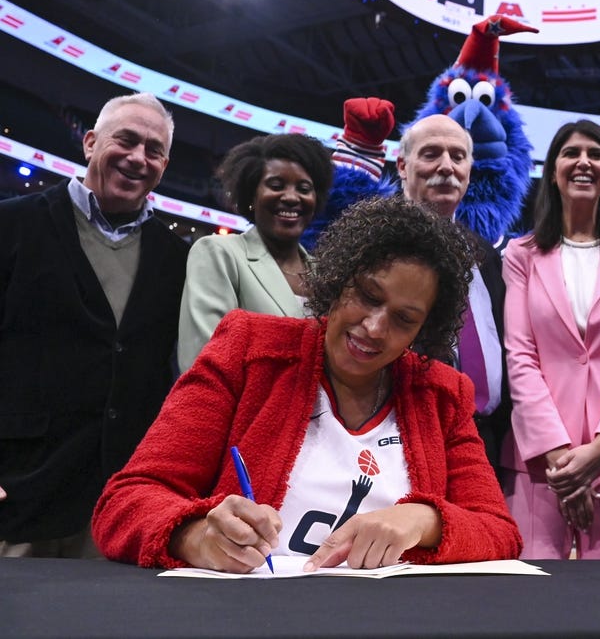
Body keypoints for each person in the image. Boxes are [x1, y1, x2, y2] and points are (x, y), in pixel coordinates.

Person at [92, 196, 521, 571]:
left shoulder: (443, 393)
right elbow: (126, 502)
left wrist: (424, 521)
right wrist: (195, 536)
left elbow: (499, 532)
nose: (373, 327)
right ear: (337, 280)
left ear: (424, 330)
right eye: (368, 296)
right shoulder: (248, 350)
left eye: (403, 319)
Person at [0, 92, 188, 558]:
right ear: (89, 143)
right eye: (125, 140)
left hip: (120, 507)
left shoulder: (177, 258)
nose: (138, 158)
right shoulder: (12, 224)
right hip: (20, 493)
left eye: (154, 150)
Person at [502, 119, 600, 559]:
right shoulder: (521, 255)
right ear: (553, 170)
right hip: (540, 461)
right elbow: (520, 358)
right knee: (534, 600)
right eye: (571, 153)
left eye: (596, 154)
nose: (583, 162)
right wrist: (561, 460)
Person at [397, 114, 510, 474]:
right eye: (431, 154)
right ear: (403, 165)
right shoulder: (374, 244)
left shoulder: (484, 253)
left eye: (458, 156)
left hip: (482, 440)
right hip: (403, 435)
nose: (446, 166)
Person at [177, 133, 334, 371]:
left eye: (304, 188)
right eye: (276, 185)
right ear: (251, 195)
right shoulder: (219, 253)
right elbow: (205, 360)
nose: (292, 197)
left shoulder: (327, 276)